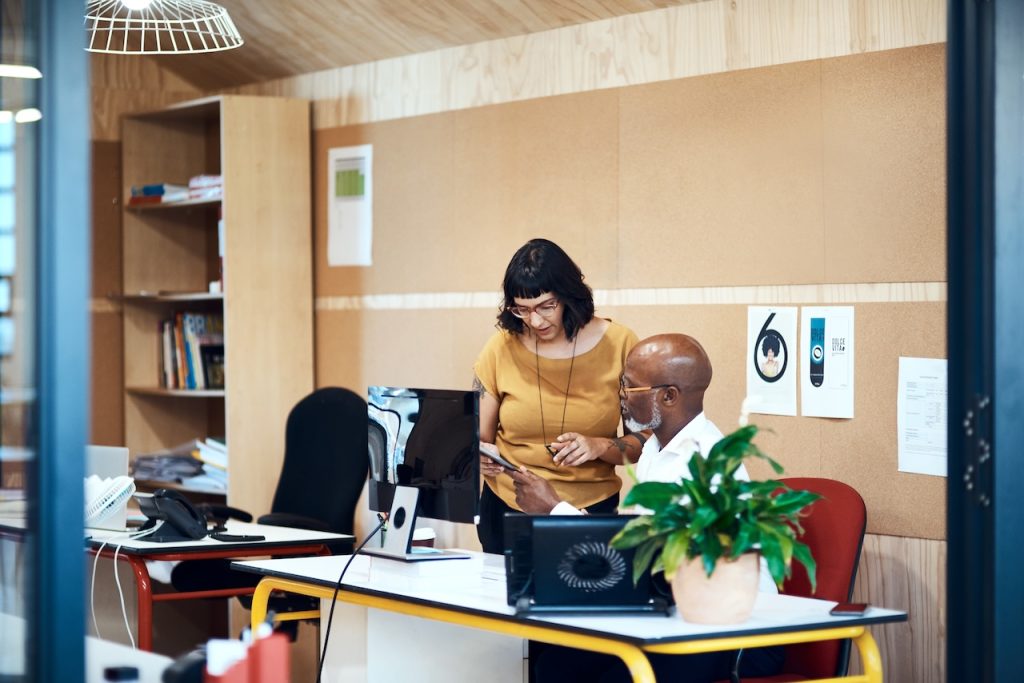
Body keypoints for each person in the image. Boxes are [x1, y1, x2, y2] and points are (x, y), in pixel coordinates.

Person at [511, 333, 785, 683]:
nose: (621, 396)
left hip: (736, 633)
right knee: (553, 665)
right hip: (682, 617)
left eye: (629, 387)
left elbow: (641, 566)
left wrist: (554, 508)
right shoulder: (656, 448)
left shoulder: (701, 462)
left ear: (668, 396)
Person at [473, 238, 649, 554]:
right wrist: (482, 455)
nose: (536, 321)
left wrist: (598, 446)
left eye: (546, 306)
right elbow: (478, 435)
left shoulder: (621, 344)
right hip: (507, 504)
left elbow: (644, 443)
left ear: (569, 295)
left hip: (587, 510)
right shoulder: (501, 347)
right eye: (522, 310)